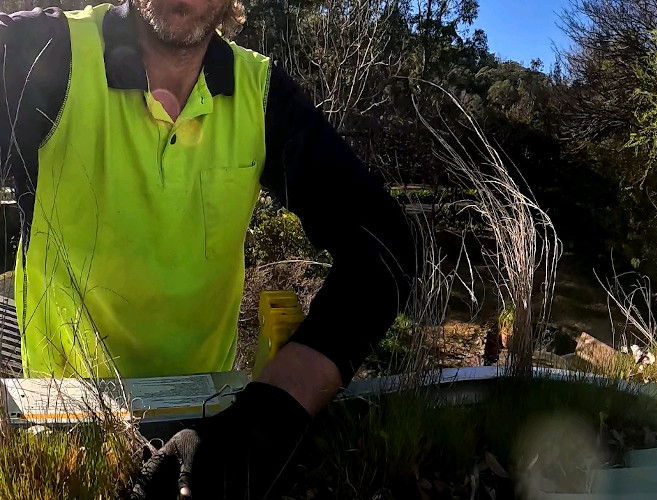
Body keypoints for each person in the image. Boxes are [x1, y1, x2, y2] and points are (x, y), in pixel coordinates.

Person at [0, 0, 417, 497]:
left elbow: (383, 245)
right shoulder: (43, 52)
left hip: (209, 430)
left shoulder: (259, 92)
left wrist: (264, 422)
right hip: (63, 428)